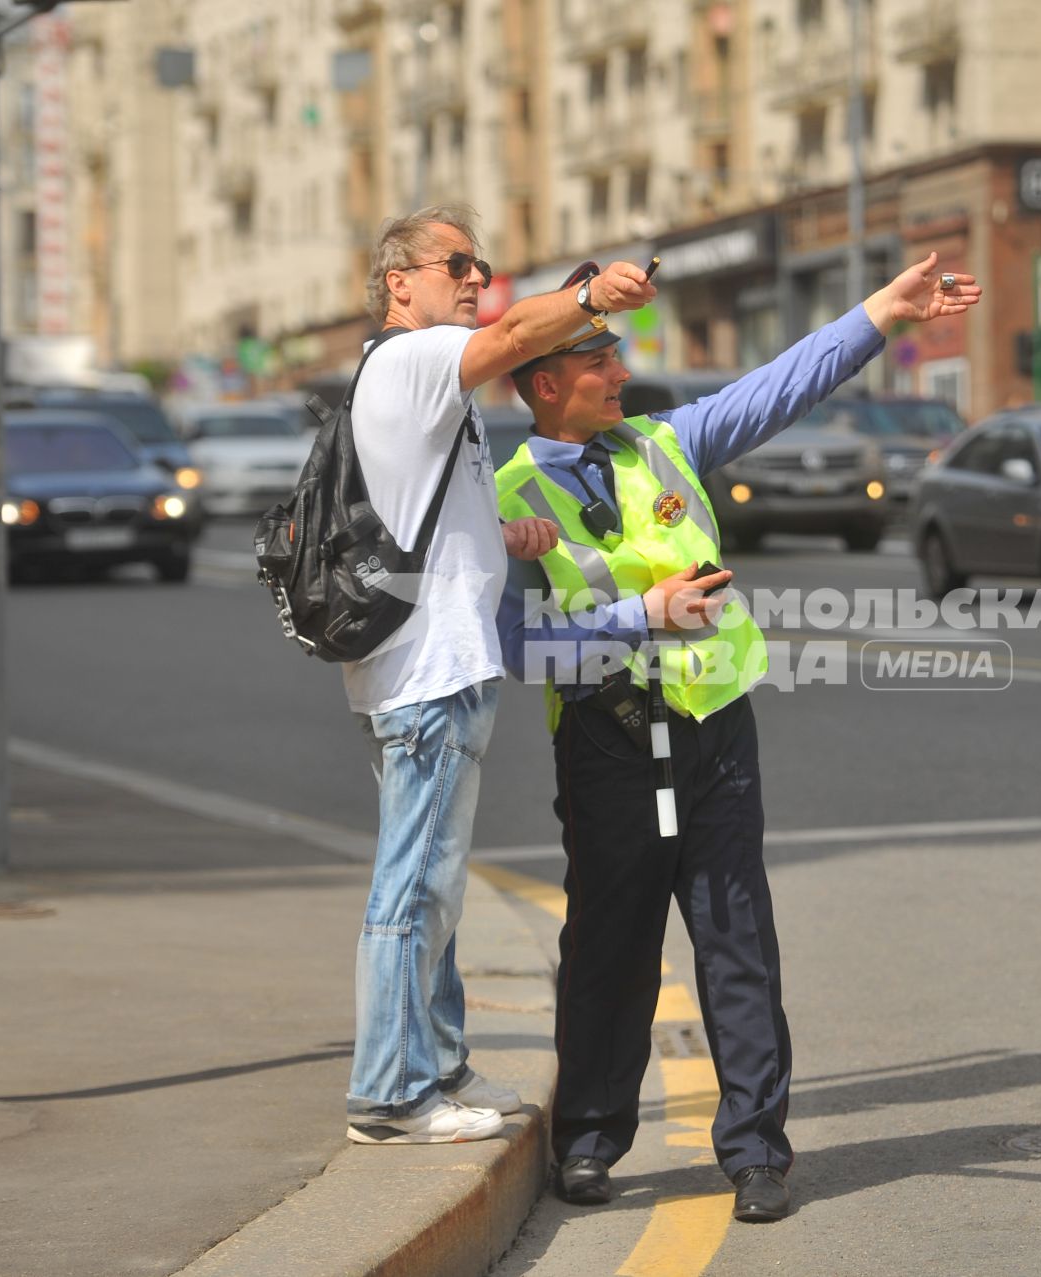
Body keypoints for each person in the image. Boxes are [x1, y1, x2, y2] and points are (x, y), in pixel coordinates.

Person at [494, 255, 981, 1219]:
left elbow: (780, 385)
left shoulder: (664, 444)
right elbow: (519, 651)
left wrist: (882, 312)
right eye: (600, 362)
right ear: (546, 381)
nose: (622, 374)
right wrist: (645, 616)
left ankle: (757, 1151)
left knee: (737, 942)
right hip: (607, 743)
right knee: (608, 947)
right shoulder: (506, 499)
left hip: (715, 734)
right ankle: (589, 1143)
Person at [340, 206, 656, 1146]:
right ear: (400, 280)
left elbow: (419, 517)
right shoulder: (414, 360)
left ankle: (437, 1066)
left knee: (435, 880)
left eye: (482, 265)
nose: (477, 279)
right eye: (457, 264)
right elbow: (518, 334)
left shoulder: (425, 378)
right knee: (414, 887)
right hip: (429, 677)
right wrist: (590, 294)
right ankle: (391, 1096)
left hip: (431, 668)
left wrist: (502, 535)